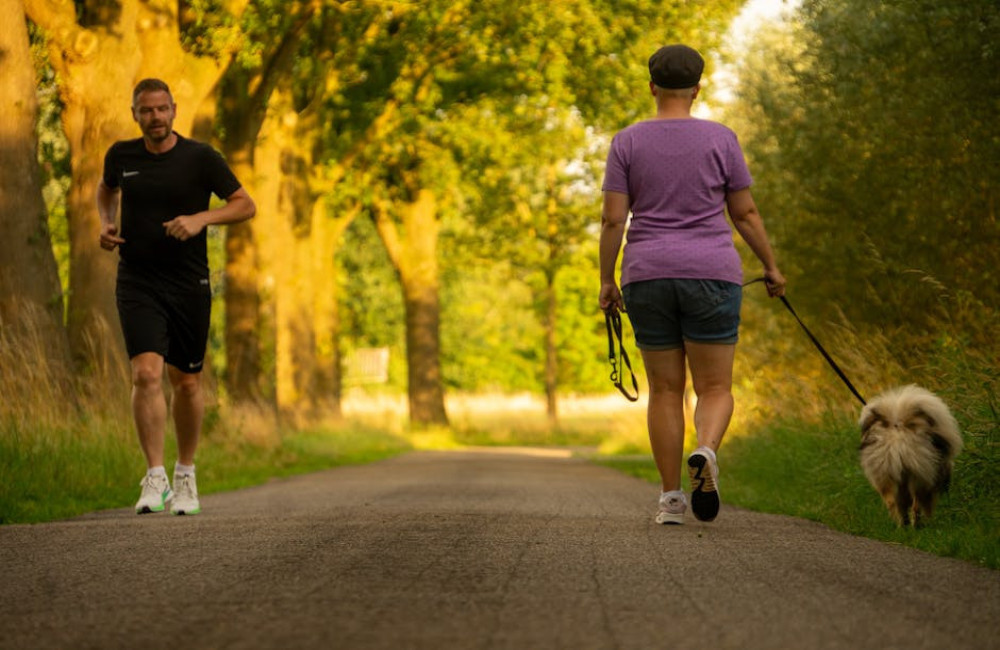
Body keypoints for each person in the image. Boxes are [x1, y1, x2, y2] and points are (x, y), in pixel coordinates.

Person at [599, 45, 786, 525]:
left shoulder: (627, 142)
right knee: (716, 385)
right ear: (698, 88)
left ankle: (670, 501)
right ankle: (705, 450)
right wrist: (771, 266)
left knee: (665, 390)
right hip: (711, 272)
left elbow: (612, 220)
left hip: (646, 274)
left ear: (652, 87)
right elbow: (743, 212)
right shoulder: (721, 140)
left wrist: (606, 279)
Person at [97, 78, 256, 515]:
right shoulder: (121, 156)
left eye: (162, 109)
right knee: (145, 375)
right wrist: (105, 223)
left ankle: (185, 473)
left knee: (186, 382)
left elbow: (245, 204)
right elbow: (106, 189)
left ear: (174, 110)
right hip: (137, 280)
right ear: (135, 114)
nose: (155, 118)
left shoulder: (201, 158)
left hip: (188, 283)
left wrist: (201, 219)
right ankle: (155, 478)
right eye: (146, 111)